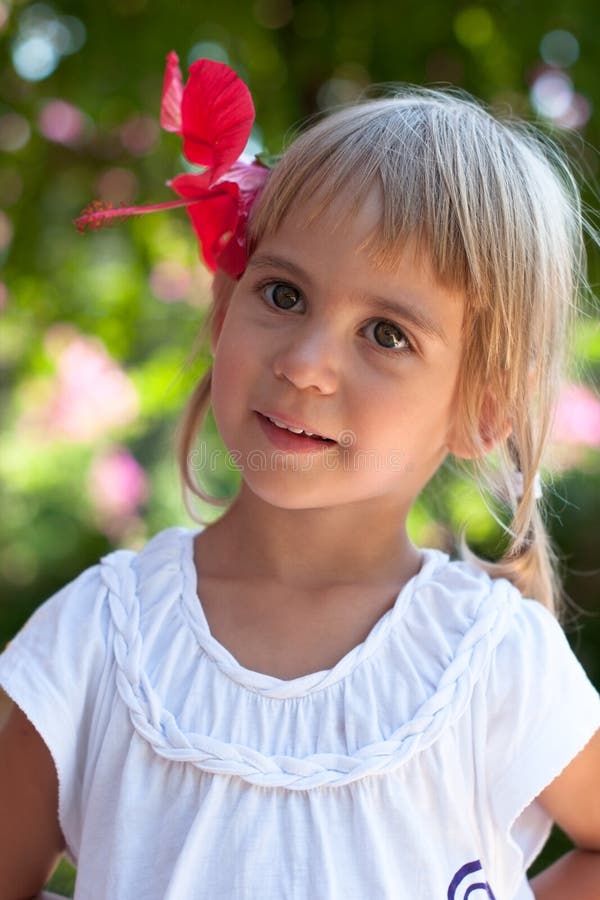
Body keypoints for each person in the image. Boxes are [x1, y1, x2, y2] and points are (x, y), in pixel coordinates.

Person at [0, 52, 599, 900]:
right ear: (223, 307)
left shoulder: (491, 660)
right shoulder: (100, 638)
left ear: (483, 411)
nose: (309, 364)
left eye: (387, 334)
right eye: (283, 295)